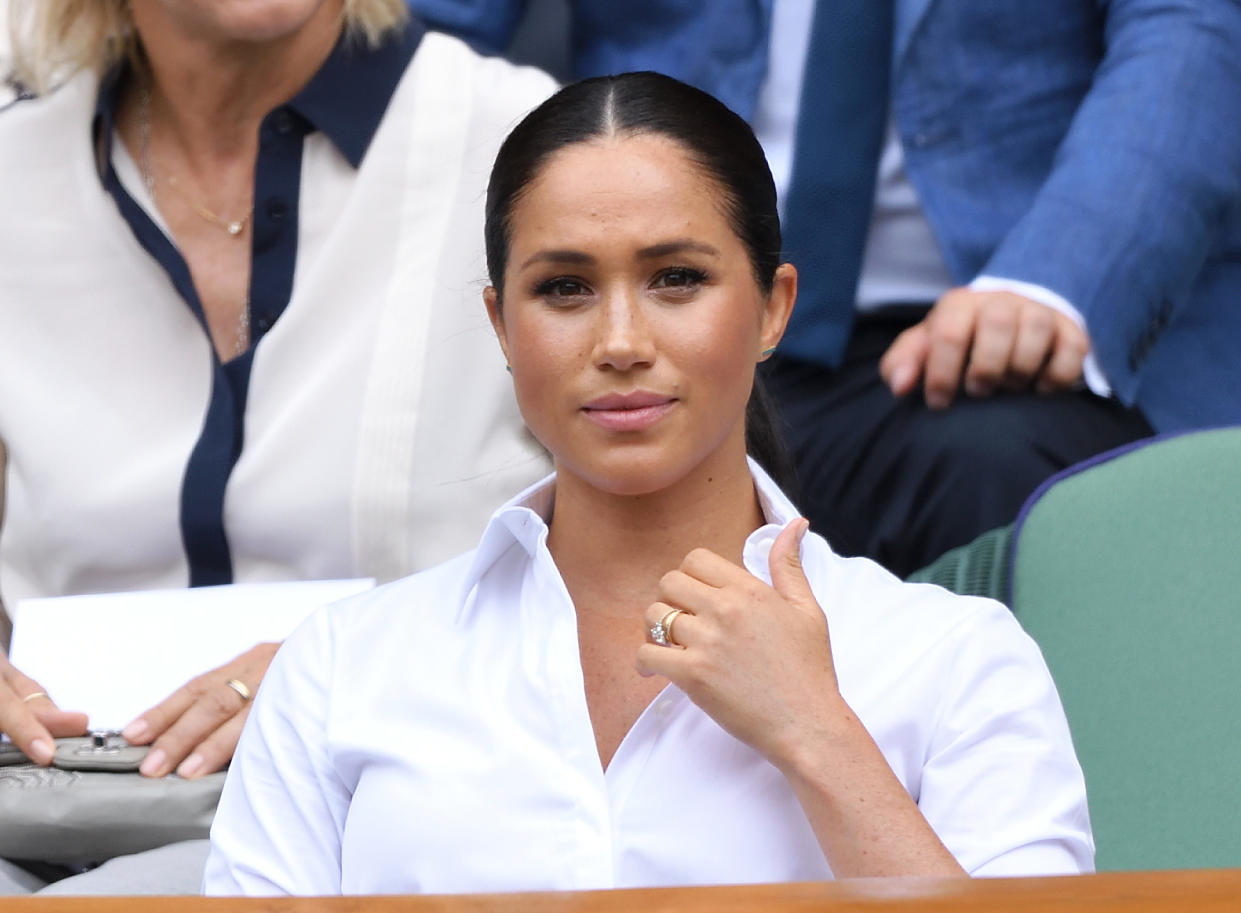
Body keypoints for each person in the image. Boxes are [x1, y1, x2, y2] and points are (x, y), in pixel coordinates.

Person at [204, 73, 1093, 895]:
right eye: (564, 288)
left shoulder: (952, 658)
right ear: (500, 324)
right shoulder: (342, 669)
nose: (621, 340)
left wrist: (815, 734)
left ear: (774, 307)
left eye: (677, 279)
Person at [0, 0, 554, 894]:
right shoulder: (13, 172)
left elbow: (666, 558)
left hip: (403, 810)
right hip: (41, 810)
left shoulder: (526, 150)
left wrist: (348, 668)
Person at [408, 0, 1241, 578]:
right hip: (656, 299)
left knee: (1024, 487)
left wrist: (1055, 278)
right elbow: (421, 35)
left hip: (990, 316)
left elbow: (1192, 28)